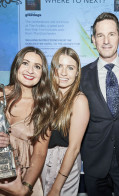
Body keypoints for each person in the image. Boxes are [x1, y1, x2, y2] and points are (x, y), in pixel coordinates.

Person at [0, 46, 54, 196]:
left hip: (20, 183)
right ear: (16, 65)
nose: (30, 70)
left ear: (43, 73)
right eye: (25, 63)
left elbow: (39, 153)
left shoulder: (44, 106)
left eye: (37, 66)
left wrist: (25, 187)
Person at [80, 12, 119, 196]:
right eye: (100, 35)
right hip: (95, 161)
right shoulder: (81, 76)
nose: (106, 41)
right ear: (93, 39)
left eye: (111, 34)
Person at [41, 47, 90, 196]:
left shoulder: (79, 100)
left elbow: (74, 148)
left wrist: (56, 187)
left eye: (70, 68)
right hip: (42, 161)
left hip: (64, 164)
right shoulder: (45, 97)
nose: (63, 73)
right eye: (59, 66)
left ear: (77, 73)